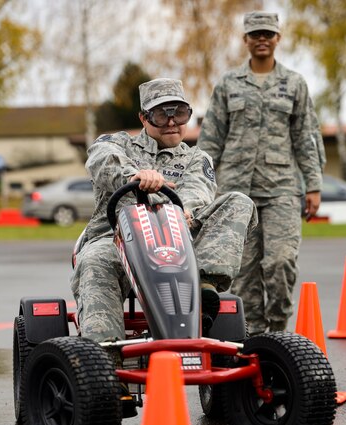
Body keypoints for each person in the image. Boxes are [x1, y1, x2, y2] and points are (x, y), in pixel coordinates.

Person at [71, 78, 257, 343]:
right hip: (115, 240)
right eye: (161, 114)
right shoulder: (116, 144)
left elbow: (197, 192)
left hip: (179, 240)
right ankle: (104, 359)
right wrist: (134, 175)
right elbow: (101, 162)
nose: (172, 122)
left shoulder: (197, 158)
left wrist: (182, 210)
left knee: (239, 201)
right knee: (95, 261)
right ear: (144, 118)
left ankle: (204, 285)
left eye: (179, 114)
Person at [198, 11, 325, 335]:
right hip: (236, 192)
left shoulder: (294, 84)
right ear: (246, 40)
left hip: (281, 189)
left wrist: (313, 185)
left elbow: (305, 137)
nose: (262, 39)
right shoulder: (228, 84)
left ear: (278, 38)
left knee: (280, 263)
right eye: (255, 34)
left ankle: (279, 333)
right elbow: (211, 139)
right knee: (244, 273)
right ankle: (253, 338)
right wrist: (200, 188)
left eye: (268, 34)